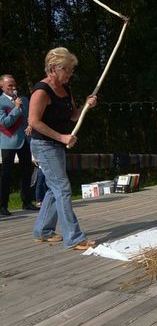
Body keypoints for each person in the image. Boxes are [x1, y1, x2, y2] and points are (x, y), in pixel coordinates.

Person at [28, 47, 97, 249]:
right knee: (62, 189)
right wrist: (62, 137)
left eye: (71, 69)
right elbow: (33, 122)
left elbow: (73, 116)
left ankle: (43, 231)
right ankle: (74, 238)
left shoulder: (66, 89)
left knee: (54, 188)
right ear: (53, 68)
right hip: (43, 145)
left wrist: (86, 106)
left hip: (57, 145)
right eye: (67, 69)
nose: (70, 73)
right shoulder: (41, 90)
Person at [0, 74, 38, 215]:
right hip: (8, 142)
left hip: (25, 140)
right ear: (2, 86)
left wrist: (31, 125)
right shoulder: (0, 102)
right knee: (6, 174)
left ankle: (27, 202)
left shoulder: (24, 99)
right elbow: (4, 123)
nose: (13, 87)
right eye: (10, 85)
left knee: (27, 172)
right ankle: (3, 206)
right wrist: (16, 108)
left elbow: (30, 117)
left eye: (14, 84)